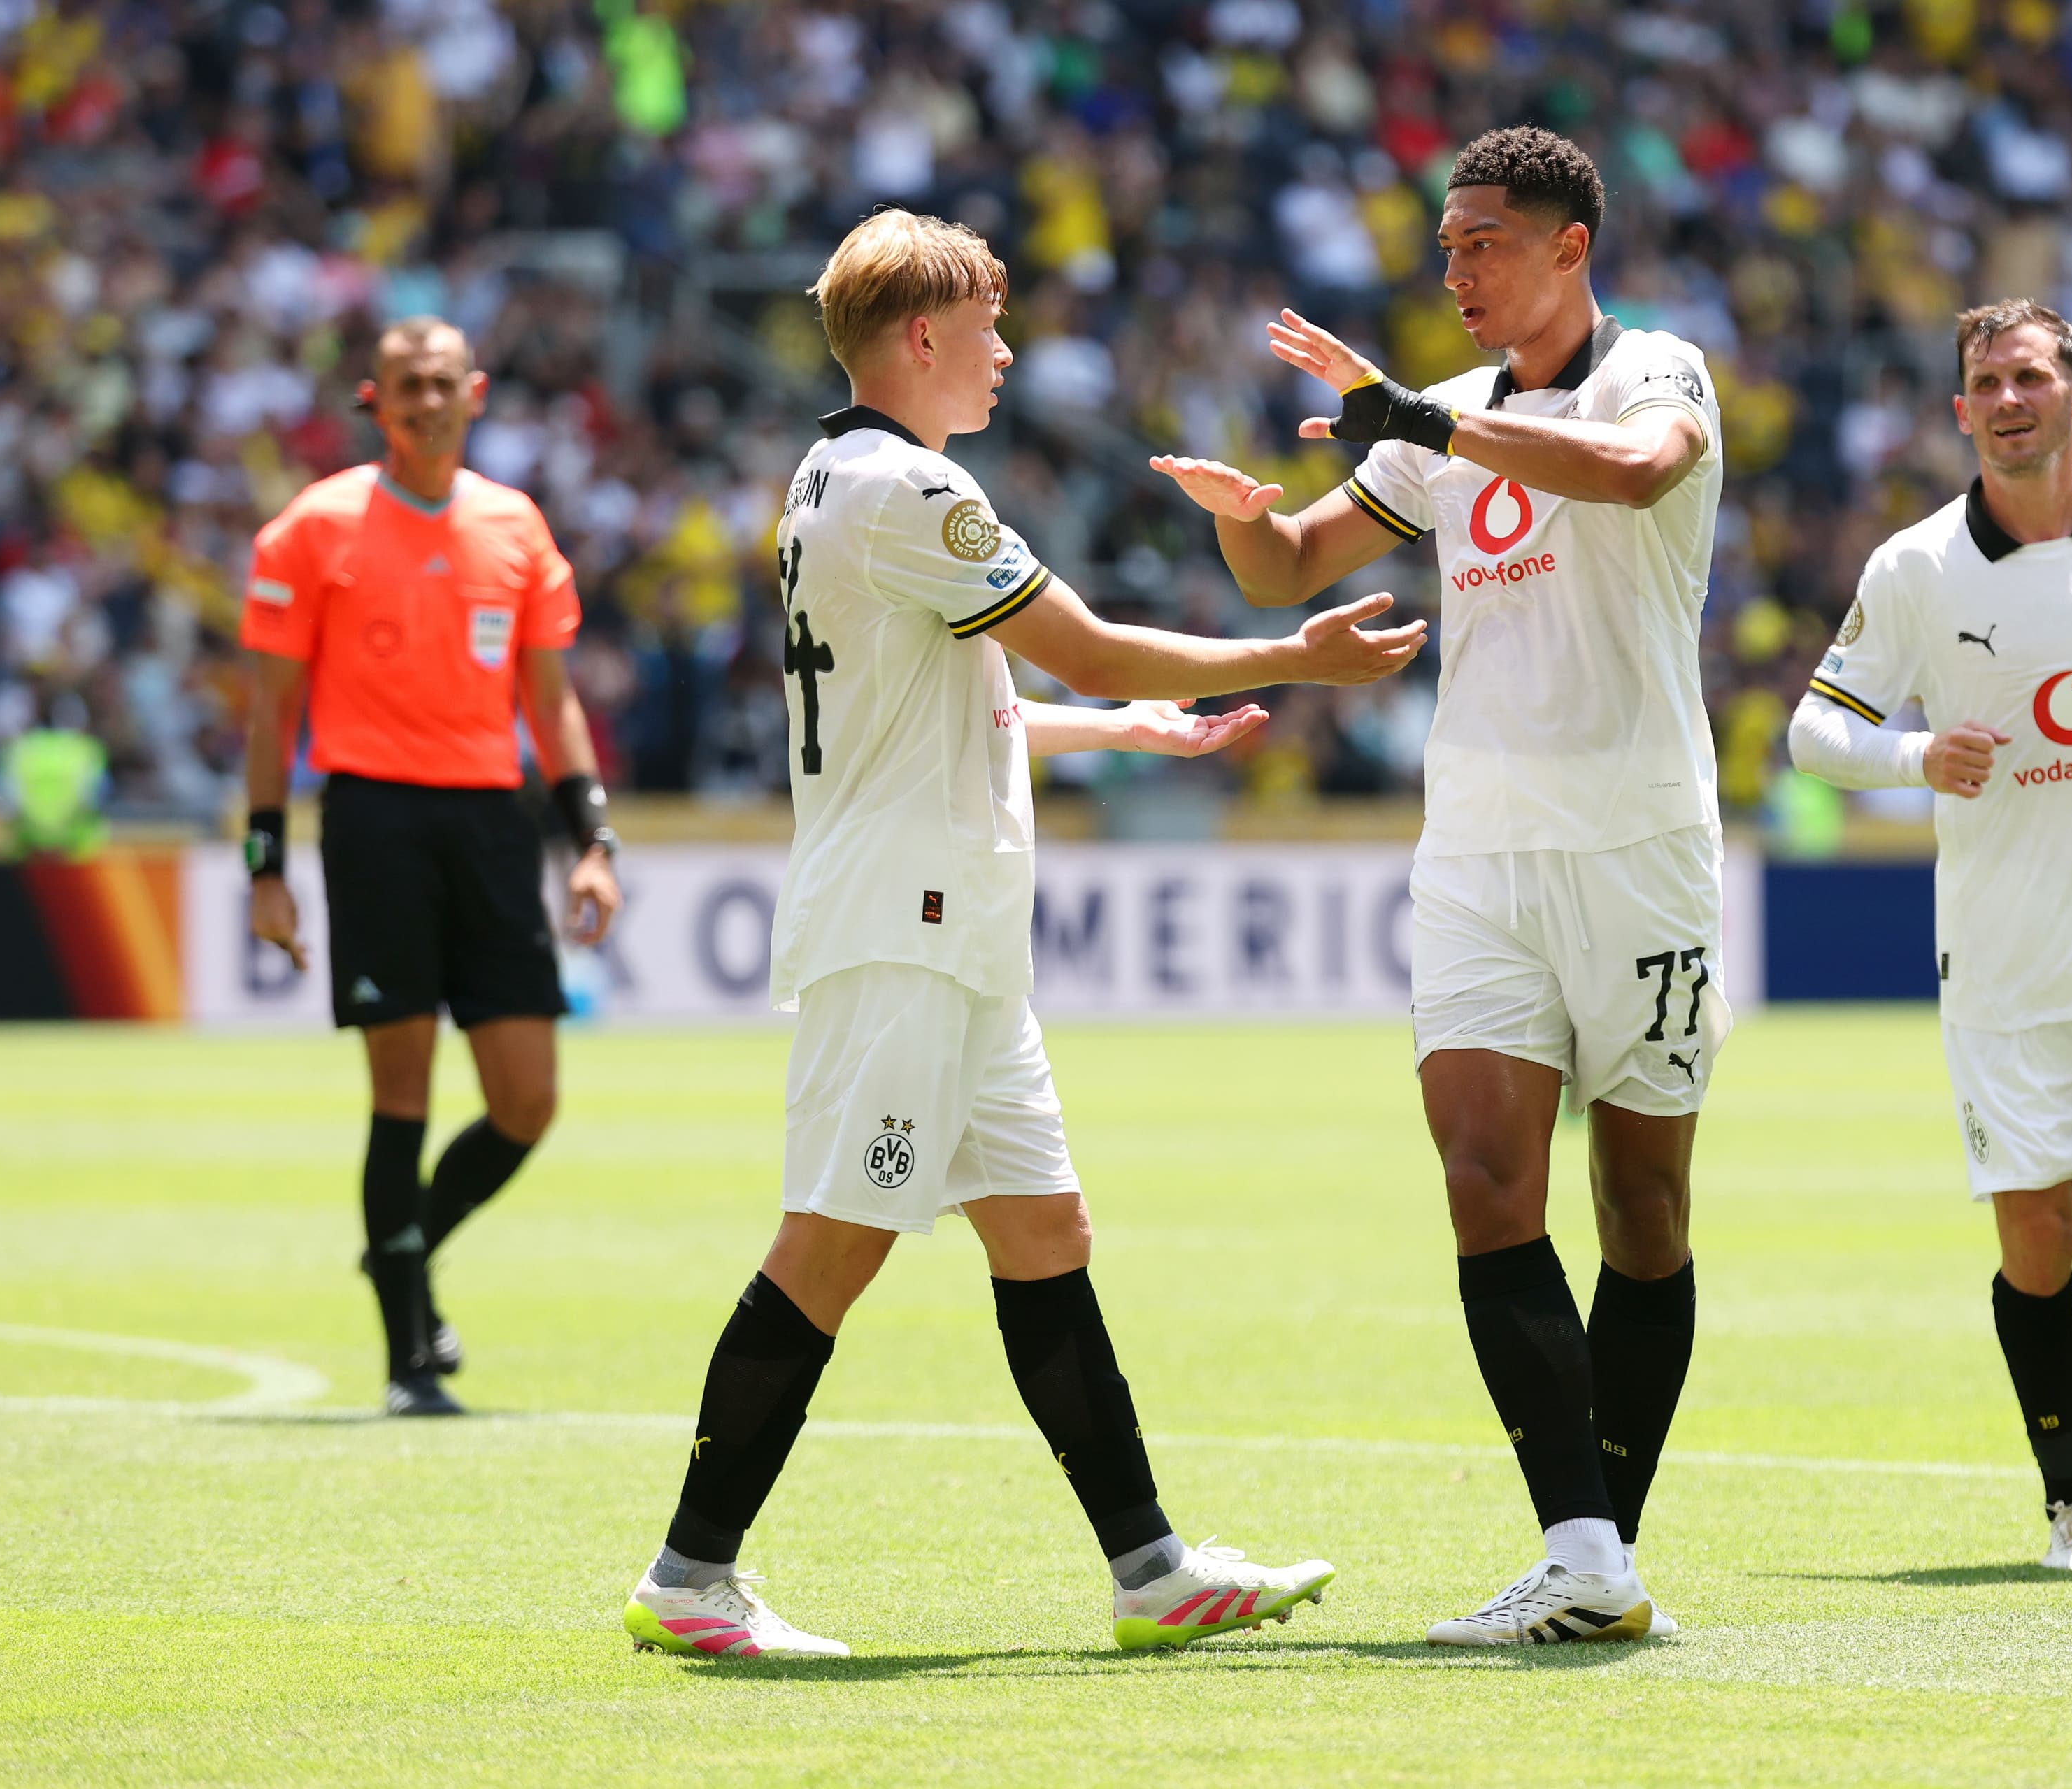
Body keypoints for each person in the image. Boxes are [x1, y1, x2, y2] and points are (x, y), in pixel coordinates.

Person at [620, 209, 1426, 1660]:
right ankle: (690, 1576)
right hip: (907, 924)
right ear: (918, 338)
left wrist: (1119, 730)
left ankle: (1151, 1567)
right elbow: (1093, 635)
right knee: (831, 1243)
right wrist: (1293, 657)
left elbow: (959, 695)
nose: (1005, 351)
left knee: (1046, 1232)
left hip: (952, 928)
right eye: (987, 326)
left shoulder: (829, 475)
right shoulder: (919, 492)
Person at [1152, 127, 1724, 1645]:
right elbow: (1291, 569)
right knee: (1483, 1182)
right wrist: (1241, 518)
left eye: (1483, 241)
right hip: (1476, 846)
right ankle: (1587, 1552)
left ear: (1568, 248)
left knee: (1645, 1208)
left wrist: (1412, 417)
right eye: (1447, 242)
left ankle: (1607, 1544)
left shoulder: (1654, 372)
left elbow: (1631, 473)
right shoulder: (1443, 416)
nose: (1454, 268)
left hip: (1641, 842)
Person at [1787, 301, 2072, 1572]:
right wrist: (1920, 754)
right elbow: (1815, 733)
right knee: (2033, 1236)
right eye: (1985, 380)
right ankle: (2069, 1496)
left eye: (2030, 375)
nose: (2008, 397)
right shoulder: (1917, 568)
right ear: (1960, 410)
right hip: (2002, 964)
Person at [240, 317, 622, 1419]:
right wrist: (264, 866)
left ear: (476, 394)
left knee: (526, 1101)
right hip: (373, 824)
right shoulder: (312, 530)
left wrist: (590, 843)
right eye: (405, 385)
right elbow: (271, 715)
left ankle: (399, 1254)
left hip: (494, 824)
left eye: (441, 383)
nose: (423, 400)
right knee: (399, 1093)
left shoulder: (514, 523)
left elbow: (551, 705)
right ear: (375, 400)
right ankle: (410, 1357)